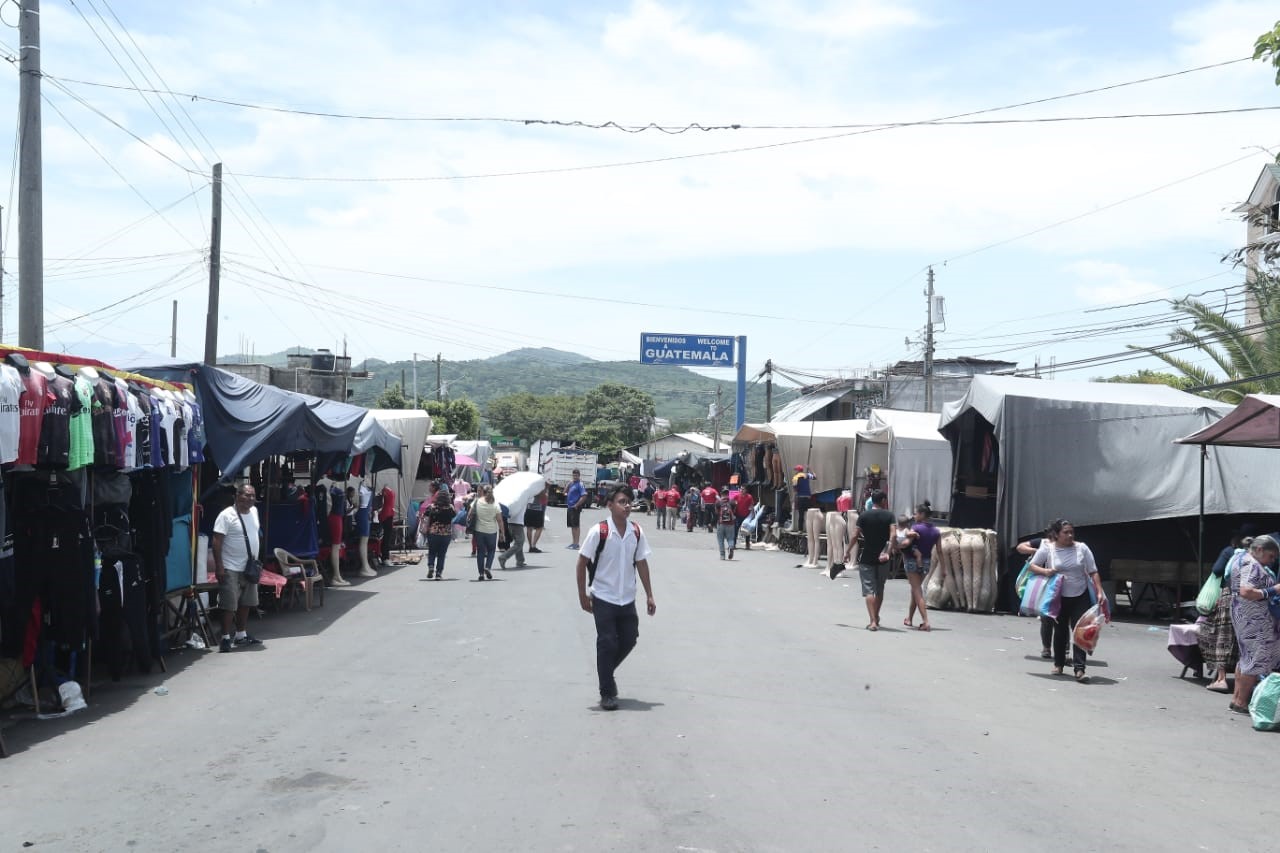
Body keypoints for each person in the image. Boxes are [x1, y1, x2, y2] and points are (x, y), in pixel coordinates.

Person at [575, 485, 655, 711]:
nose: (627, 505)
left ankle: (606, 673)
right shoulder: (598, 532)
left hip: (627, 598)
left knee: (629, 639)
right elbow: (581, 563)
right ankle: (607, 692)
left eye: (628, 501)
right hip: (603, 597)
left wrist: (650, 594)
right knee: (607, 642)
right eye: (621, 502)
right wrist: (583, 595)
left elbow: (641, 562)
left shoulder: (636, 532)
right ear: (609, 506)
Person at [1028, 519, 1105, 683]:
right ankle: (1059, 664)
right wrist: (1046, 571)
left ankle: (1079, 669)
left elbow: (1093, 571)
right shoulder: (1048, 548)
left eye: (1072, 532)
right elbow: (1032, 566)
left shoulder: (1082, 548)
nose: (1070, 535)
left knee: (1081, 631)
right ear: (1056, 534)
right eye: (1066, 532)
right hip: (1058, 597)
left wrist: (1099, 591)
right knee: (1060, 630)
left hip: (1080, 594)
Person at [1199, 525, 1255, 693]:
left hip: (1229, 598)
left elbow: (1217, 570)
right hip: (1252, 602)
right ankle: (1245, 683)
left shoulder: (1232, 553)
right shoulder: (1260, 558)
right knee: (1244, 642)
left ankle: (1221, 678)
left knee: (1221, 637)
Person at [1228, 535, 1280, 714]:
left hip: (1244, 614)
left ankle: (1236, 699)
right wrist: (1274, 589)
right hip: (1253, 618)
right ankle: (1241, 702)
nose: (1272, 561)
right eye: (1271, 556)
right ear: (1259, 550)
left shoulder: (1240, 558)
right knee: (1255, 659)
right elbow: (1246, 591)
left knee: (1246, 658)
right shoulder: (1252, 564)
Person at [210, 484, 264, 653]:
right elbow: (216, 541)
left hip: (249, 566)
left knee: (246, 602)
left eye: (253, 495)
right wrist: (219, 567)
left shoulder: (254, 512)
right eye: (247, 495)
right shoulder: (226, 515)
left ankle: (241, 634)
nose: (250, 499)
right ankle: (225, 637)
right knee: (229, 604)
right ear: (237, 496)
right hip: (230, 566)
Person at [844, 490, 895, 631]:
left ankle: (872, 621)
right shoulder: (890, 516)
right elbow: (893, 535)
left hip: (867, 557)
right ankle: (876, 617)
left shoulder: (864, 516)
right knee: (879, 589)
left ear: (872, 501)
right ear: (884, 500)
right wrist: (888, 552)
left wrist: (847, 552)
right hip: (883, 558)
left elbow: (855, 535)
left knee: (869, 591)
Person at [901, 501, 940, 631]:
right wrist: (944, 568)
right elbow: (940, 551)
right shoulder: (936, 531)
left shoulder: (916, 528)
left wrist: (902, 537)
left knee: (917, 590)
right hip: (927, 562)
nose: (914, 515)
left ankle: (926, 621)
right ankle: (910, 618)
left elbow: (907, 542)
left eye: (916, 513)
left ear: (922, 514)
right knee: (915, 590)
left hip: (912, 561)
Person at [1016, 535, 1053, 658]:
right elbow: (1020, 547)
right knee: (1046, 618)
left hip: (1061, 585)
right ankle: (1046, 647)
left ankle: (1065, 651)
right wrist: (1035, 551)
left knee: (1061, 619)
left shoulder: (1072, 547)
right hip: (1042, 584)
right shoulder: (1043, 543)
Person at [472, 484, 505, 581]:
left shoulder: (477, 501)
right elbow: (499, 520)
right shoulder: (495, 504)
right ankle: (488, 567)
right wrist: (502, 533)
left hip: (479, 531)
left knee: (480, 552)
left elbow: (470, 514)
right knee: (491, 551)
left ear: (483, 492)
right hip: (491, 532)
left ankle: (481, 574)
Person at [422, 490, 456, 580]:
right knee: (442, 554)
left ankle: (431, 566)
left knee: (432, 552)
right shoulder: (450, 507)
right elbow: (454, 516)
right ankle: (438, 573)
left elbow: (425, 518)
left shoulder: (431, 507)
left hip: (433, 533)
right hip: (446, 534)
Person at [498, 493, 528, 569]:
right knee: (519, 543)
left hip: (512, 523)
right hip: (516, 523)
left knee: (518, 542)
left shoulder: (514, 499)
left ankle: (520, 561)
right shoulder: (520, 499)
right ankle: (503, 557)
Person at [565, 469, 588, 550]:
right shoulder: (571, 483)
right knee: (572, 525)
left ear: (579, 476)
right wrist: (568, 484)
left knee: (576, 526)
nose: (575, 477)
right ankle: (574, 542)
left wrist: (577, 504)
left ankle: (577, 543)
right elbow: (564, 492)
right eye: (574, 475)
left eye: (576, 475)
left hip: (575, 507)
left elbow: (584, 496)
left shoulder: (580, 484)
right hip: (570, 506)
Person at [791, 465, 815, 531]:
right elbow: (815, 477)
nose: (795, 471)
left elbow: (795, 490)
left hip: (800, 499)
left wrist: (793, 500)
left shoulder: (795, 478)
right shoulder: (807, 475)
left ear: (798, 471)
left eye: (795, 470)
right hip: (808, 498)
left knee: (801, 515)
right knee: (810, 515)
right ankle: (812, 529)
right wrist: (810, 469)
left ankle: (800, 530)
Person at [715, 490, 736, 560]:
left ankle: (722, 555)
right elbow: (735, 511)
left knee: (720, 540)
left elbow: (716, 513)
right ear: (728, 494)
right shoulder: (732, 502)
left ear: (721, 494)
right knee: (730, 538)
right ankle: (731, 546)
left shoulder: (718, 502)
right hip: (730, 524)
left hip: (720, 524)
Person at [525, 487, 547, 553]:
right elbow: (544, 497)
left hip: (528, 508)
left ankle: (530, 546)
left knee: (529, 528)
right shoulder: (540, 486)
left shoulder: (528, 486)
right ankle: (533, 545)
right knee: (539, 528)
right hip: (537, 509)